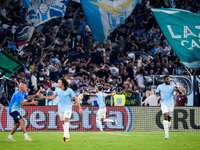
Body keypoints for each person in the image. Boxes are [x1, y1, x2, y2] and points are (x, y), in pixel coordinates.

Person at [38, 78, 82, 142]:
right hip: (60, 108)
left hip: (68, 108)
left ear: (63, 83)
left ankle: (64, 136)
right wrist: (43, 97)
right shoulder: (57, 89)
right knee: (63, 122)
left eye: (59, 82)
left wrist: (79, 107)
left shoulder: (69, 90)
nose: (57, 84)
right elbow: (52, 97)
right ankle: (67, 136)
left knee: (66, 120)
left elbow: (75, 98)